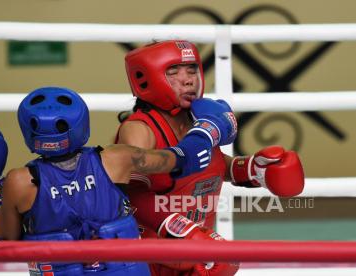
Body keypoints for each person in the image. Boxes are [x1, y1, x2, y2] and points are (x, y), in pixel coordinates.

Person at [0, 86, 238, 276]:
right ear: (82, 125)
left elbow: (0, 241)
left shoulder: (20, 182)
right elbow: (179, 159)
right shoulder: (117, 159)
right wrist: (206, 131)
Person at [115, 40, 305, 275]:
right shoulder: (140, 129)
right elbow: (127, 195)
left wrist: (251, 169)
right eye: (173, 71)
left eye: (192, 69)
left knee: (224, 260)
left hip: (189, 249)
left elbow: (209, 165)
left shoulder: (200, 123)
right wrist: (181, 230)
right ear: (147, 79)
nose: (188, 79)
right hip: (148, 258)